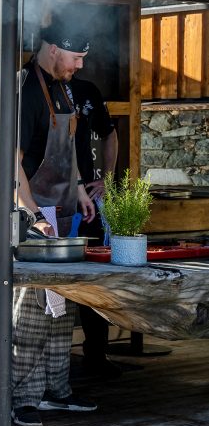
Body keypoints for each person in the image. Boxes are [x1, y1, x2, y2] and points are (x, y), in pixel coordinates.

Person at [0, 14, 98, 426]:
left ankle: (57, 391)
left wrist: (77, 190)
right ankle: (21, 398)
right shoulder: (24, 90)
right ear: (54, 49)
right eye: (76, 56)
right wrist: (32, 213)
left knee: (61, 310)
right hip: (32, 215)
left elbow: (64, 150)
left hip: (63, 212)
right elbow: (7, 158)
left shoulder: (62, 88)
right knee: (33, 313)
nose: (80, 66)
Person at [69, 72, 121, 379]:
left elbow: (110, 133)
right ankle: (52, 362)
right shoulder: (34, 85)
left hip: (87, 198)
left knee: (95, 273)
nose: (75, 64)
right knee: (52, 282)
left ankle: (96, 353)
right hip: (50, 198)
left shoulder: (86, 89)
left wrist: (108, 178)